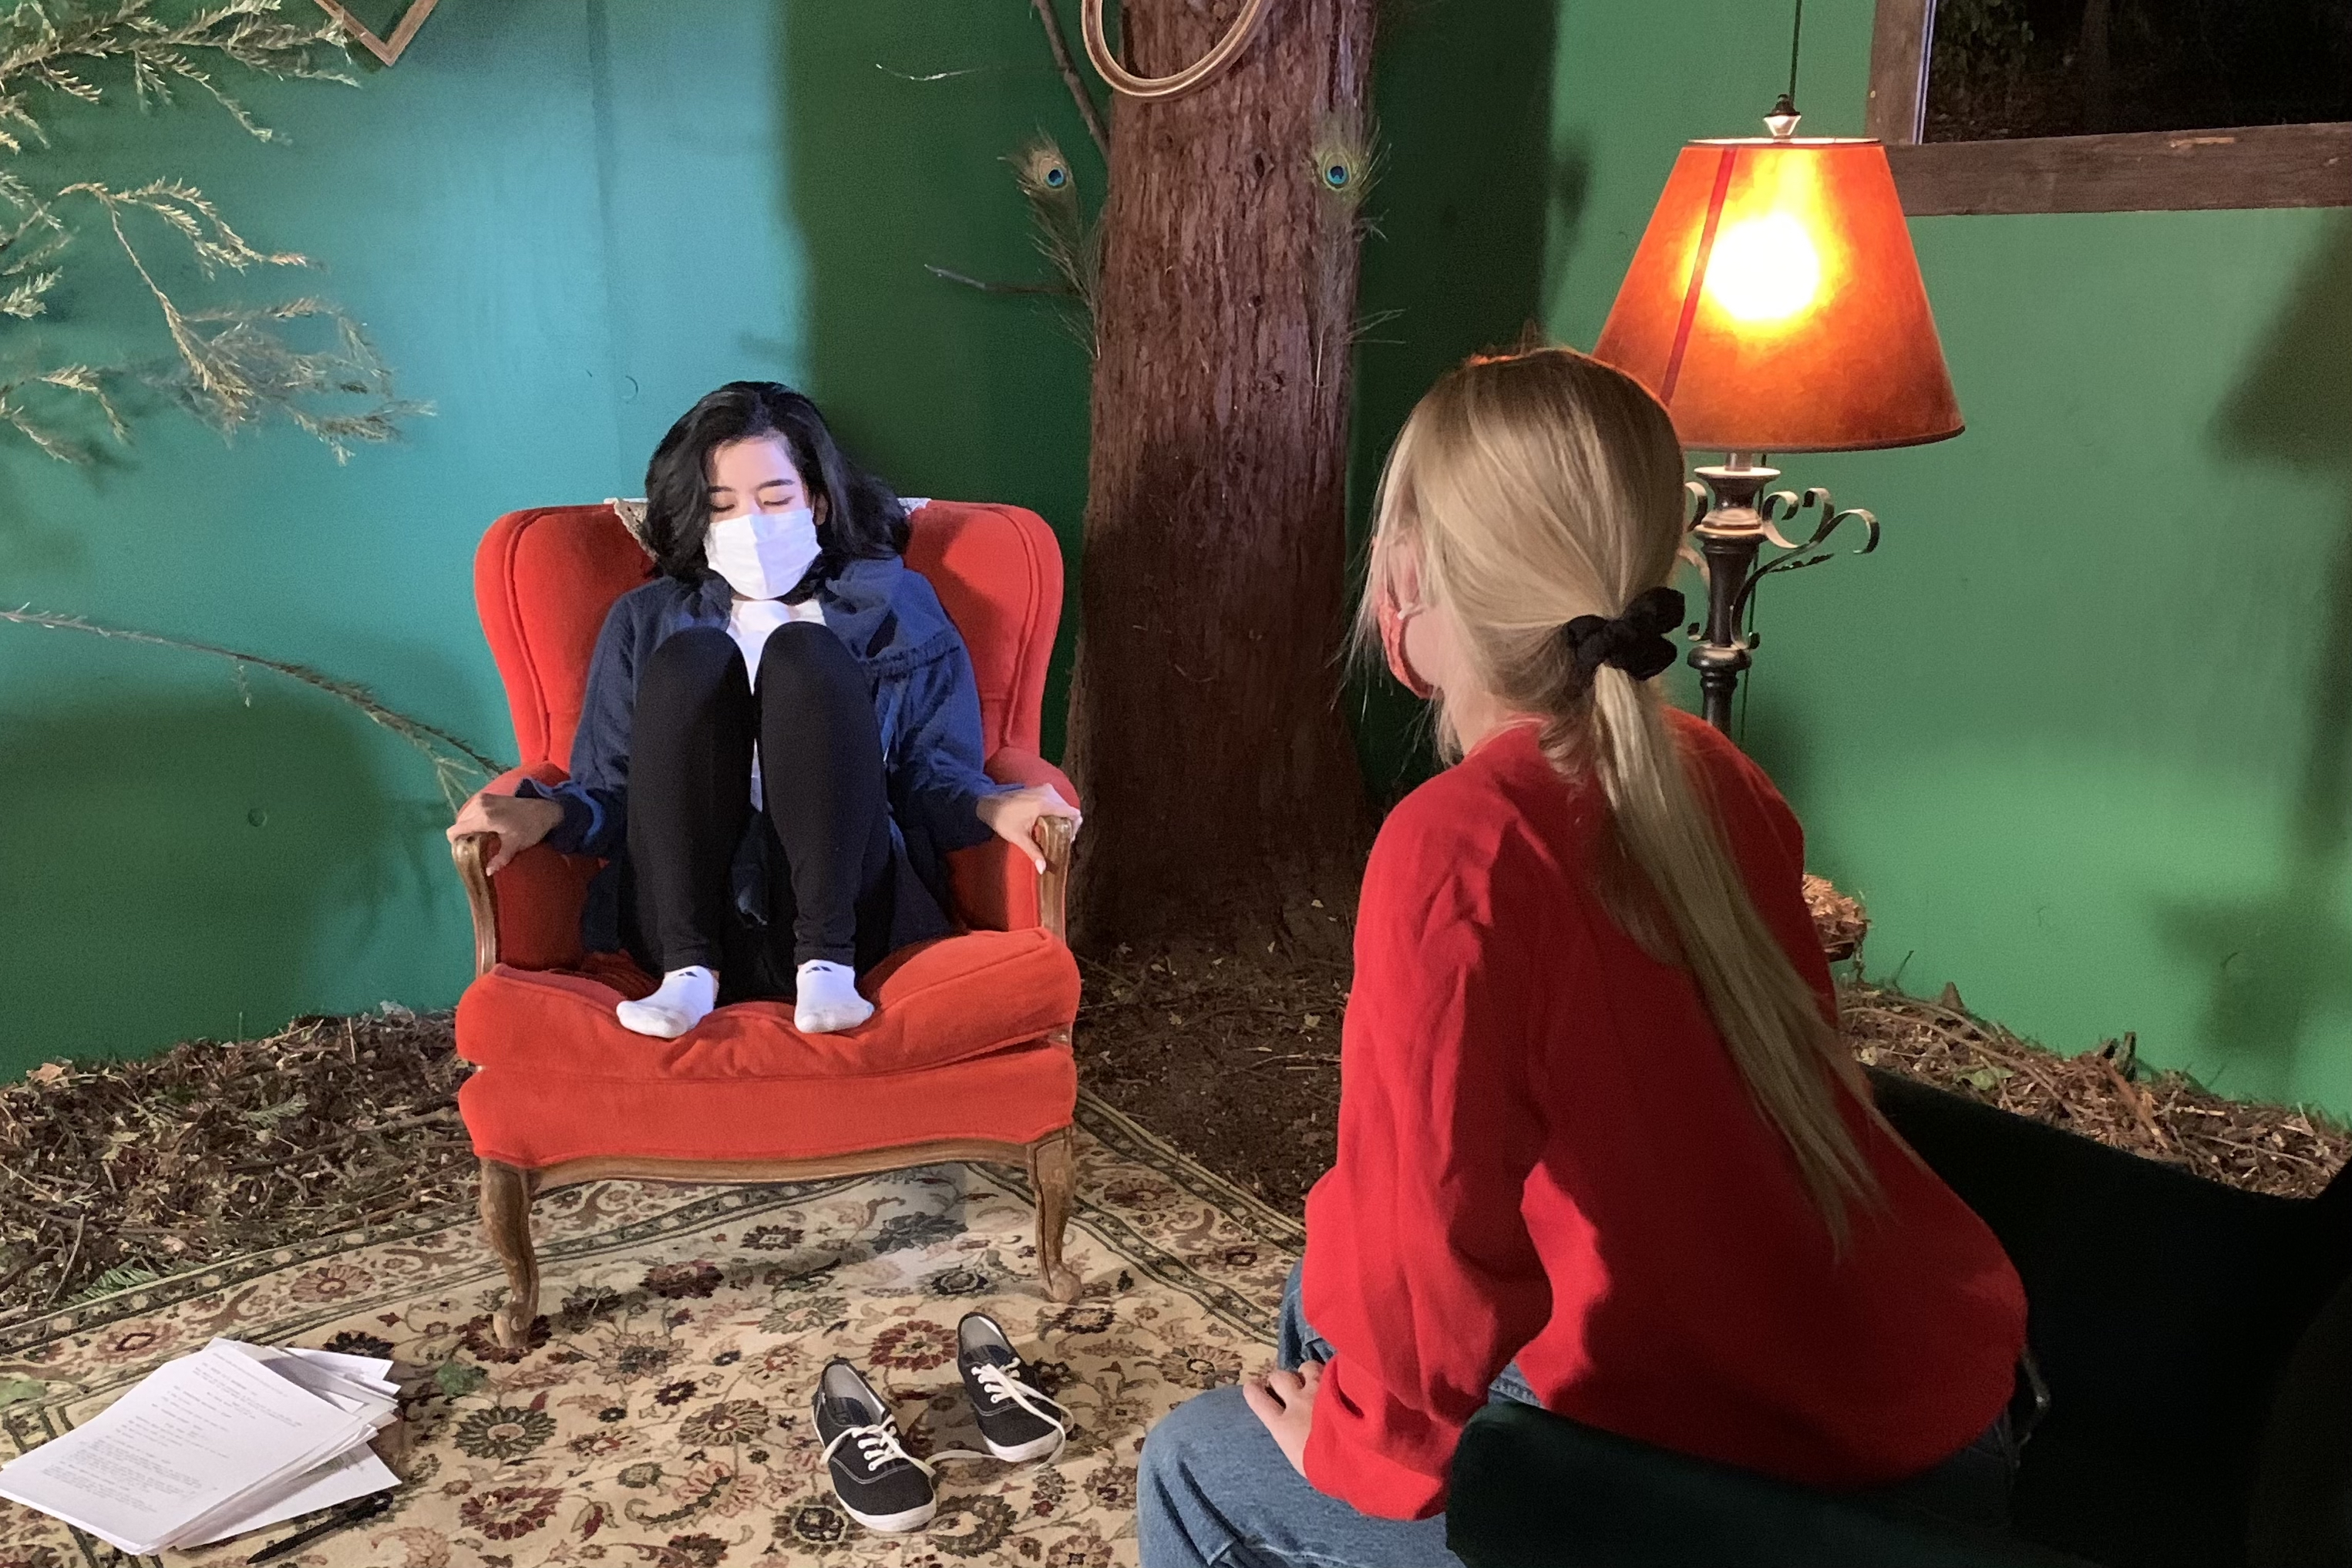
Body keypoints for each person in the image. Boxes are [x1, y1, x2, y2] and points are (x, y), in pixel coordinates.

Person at [1136, 348, 2029, 1566]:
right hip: (1939, 1394)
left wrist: (1359, 1450)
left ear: (1413, 574)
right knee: (1316, 1293)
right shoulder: (1709, 771)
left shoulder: (1455, 848)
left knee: (1194, 1461)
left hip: (1777, 1505)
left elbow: (1431, 1234)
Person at [446, 382, 1079, 1038]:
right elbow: (616, 791)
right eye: (722, 506)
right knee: (693, 658)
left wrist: (994, 805)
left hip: (849, 908)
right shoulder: (644, 620)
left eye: (775, 499)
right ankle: (688, 974)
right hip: (681, 911)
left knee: (804, 653)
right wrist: (546, 811)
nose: (750, 525)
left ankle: (826, 966)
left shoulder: (900, 607)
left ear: (818, 501)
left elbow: (931, 773)